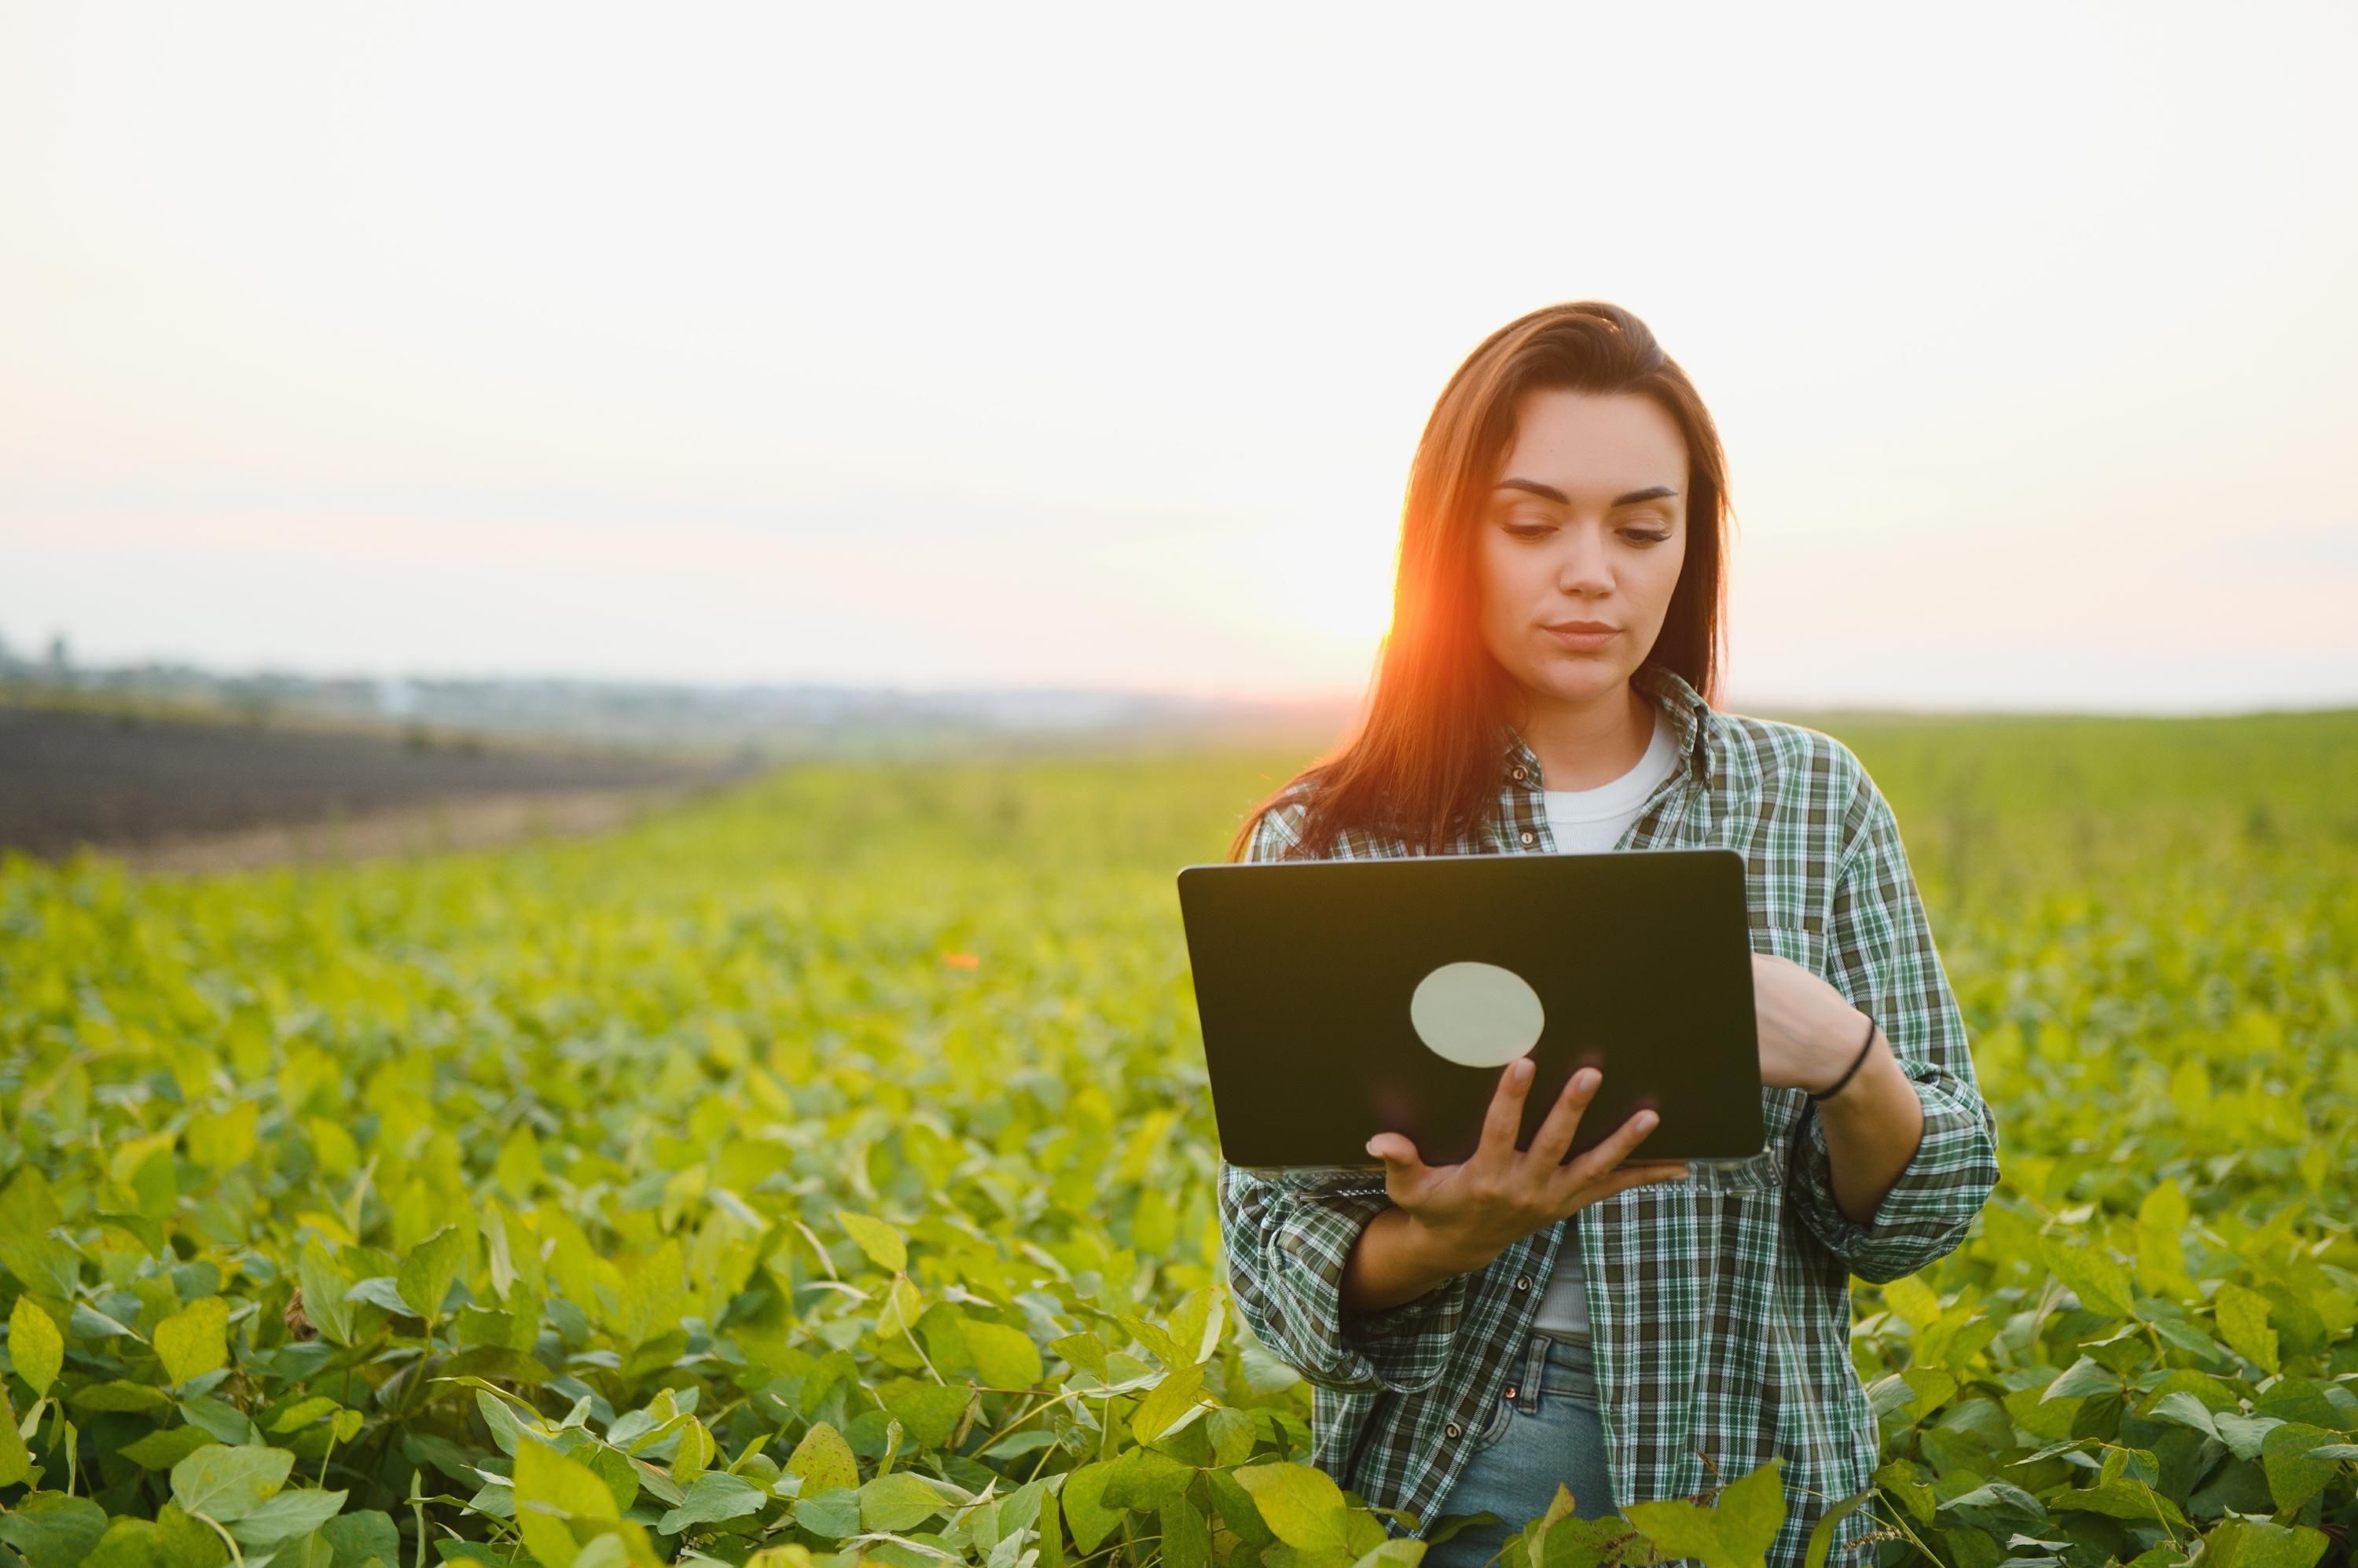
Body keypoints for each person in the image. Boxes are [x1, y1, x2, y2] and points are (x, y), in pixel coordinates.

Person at [1214, 301, 2000, 1568]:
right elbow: (1271, 1253)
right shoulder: (1328, 839)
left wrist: (1851, 1062)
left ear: (1690, 545)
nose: (1593, 572)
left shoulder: (1811, 801)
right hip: (1463, 1469)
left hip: (1760, 1465)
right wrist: (1443, 1238)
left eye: (1642, 529)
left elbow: (1923, 1217)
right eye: (1533, 526)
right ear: (1449, 542)